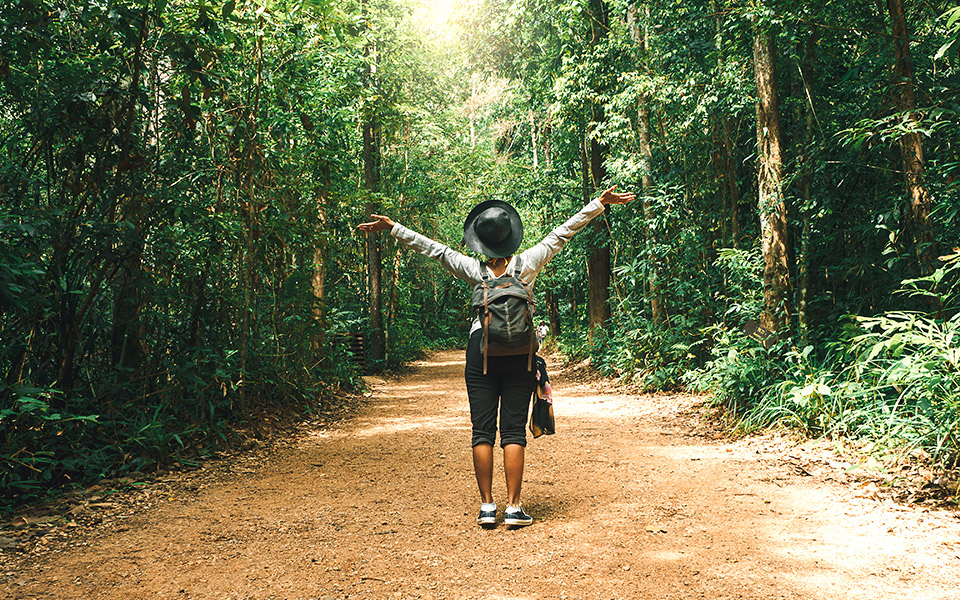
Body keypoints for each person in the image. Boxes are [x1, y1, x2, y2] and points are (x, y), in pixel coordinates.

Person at [358, 186, 635, 527]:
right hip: (520, 353)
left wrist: (393, 227)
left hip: (482, 351)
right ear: (510, 237)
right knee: (513, 431)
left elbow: (435, 250)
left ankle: (488, 506)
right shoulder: (527, 263)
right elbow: (562, 233)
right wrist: (598, 203)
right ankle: (514, 508)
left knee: (482, 430)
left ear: (481, 242)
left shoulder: (473, 269)